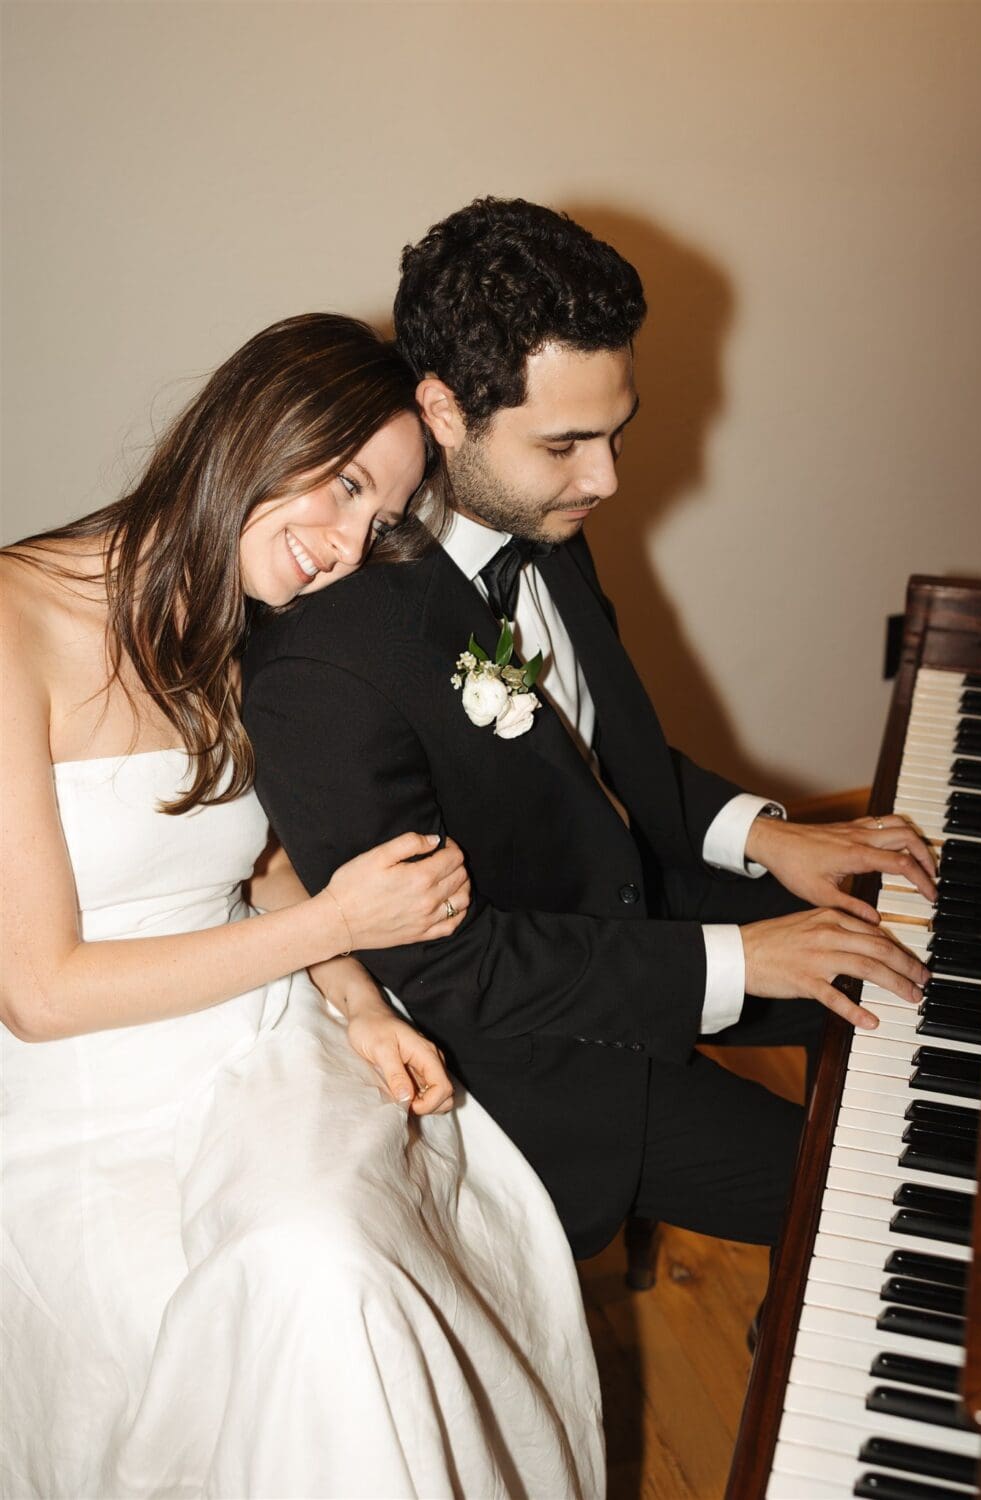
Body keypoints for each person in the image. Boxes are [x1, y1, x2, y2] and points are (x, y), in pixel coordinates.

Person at [242, 201, 938, 1267]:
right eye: (567, 443)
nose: (606, 477)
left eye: (616, 431)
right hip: (536, 1043)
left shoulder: (539, 513)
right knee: (875, 1207)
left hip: (641, 902)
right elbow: (449, 968)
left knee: (932, 972)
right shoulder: (326, 662)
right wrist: (741, 958)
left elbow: (598, 762)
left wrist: (766, 837)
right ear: (442, 411)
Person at [0, 313, 603, 1500]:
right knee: (290, 1294)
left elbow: (245, 853)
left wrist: (359, 1004)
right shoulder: (13, 625)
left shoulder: (229, 611)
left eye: (377, 519)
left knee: (335, 1265)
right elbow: (39, 993)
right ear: (254, 427)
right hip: (80, 1093)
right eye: (341, 485)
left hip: (255, 1035)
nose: (343, 544)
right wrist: (337, 929)